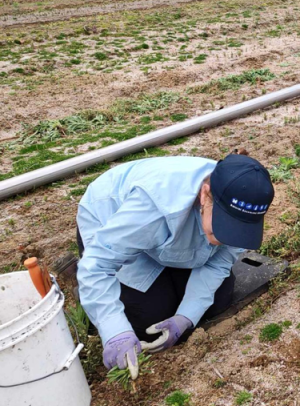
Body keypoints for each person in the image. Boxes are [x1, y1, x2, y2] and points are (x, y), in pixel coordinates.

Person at [76, 152, 274, 377]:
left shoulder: (240, 208)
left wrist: (185, 317)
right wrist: (114, 331)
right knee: (148, 322)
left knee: (216, 300)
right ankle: (86, 292)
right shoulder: (152, 209)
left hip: (167, 239)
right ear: (205, 194)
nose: (226, 238)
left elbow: (217, 265)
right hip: (112, 226)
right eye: (222, 226)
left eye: (234, 230)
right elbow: (98, 266)